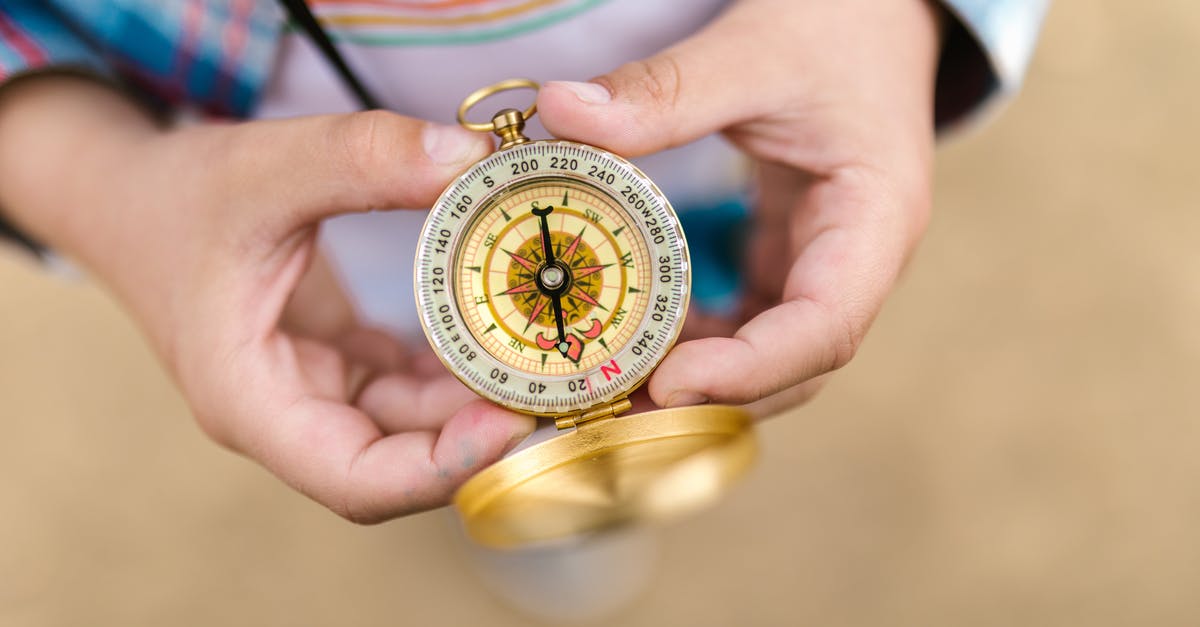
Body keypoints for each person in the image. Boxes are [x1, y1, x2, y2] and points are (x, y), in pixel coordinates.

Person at [0, 0, 1048, 525]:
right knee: (447, 410)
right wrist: (105, 181)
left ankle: (590, 469)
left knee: (702, 311)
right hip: (333, 256)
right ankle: (552, 478)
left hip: (729, 141)